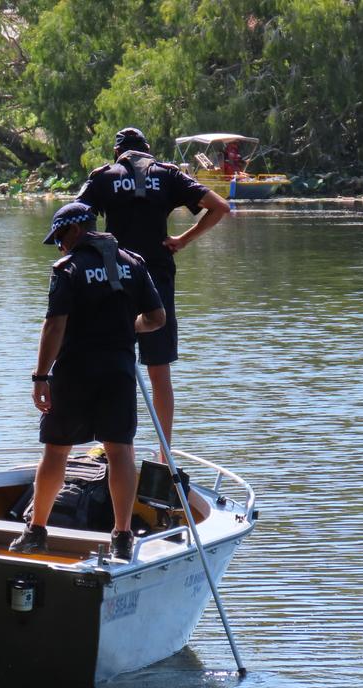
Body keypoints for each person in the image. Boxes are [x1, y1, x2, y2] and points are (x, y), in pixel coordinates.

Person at [10, 202, 166, 559]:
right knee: (120, 450)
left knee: (56, 450)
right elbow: (157, 318)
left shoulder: (68, 268)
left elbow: (55, 324)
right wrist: (129, 326)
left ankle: (36, 531)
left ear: (75, 230)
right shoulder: (133, 263)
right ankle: (122, 537)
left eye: (60, 239)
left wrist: (39, 376)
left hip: (74, 371)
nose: (60, 247)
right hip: (119, 371)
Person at [76, 127, 230, 456]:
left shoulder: (104, 177)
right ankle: (164, 454)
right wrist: (182, 240)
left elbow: (74, 218)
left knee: (114, 363)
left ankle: (112, 448)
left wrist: (91, 252)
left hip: (114, 277)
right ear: (148, 149)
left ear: (117, 153)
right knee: (159, 370)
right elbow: (220, 207)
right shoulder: (168, 175)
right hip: (156, 278)